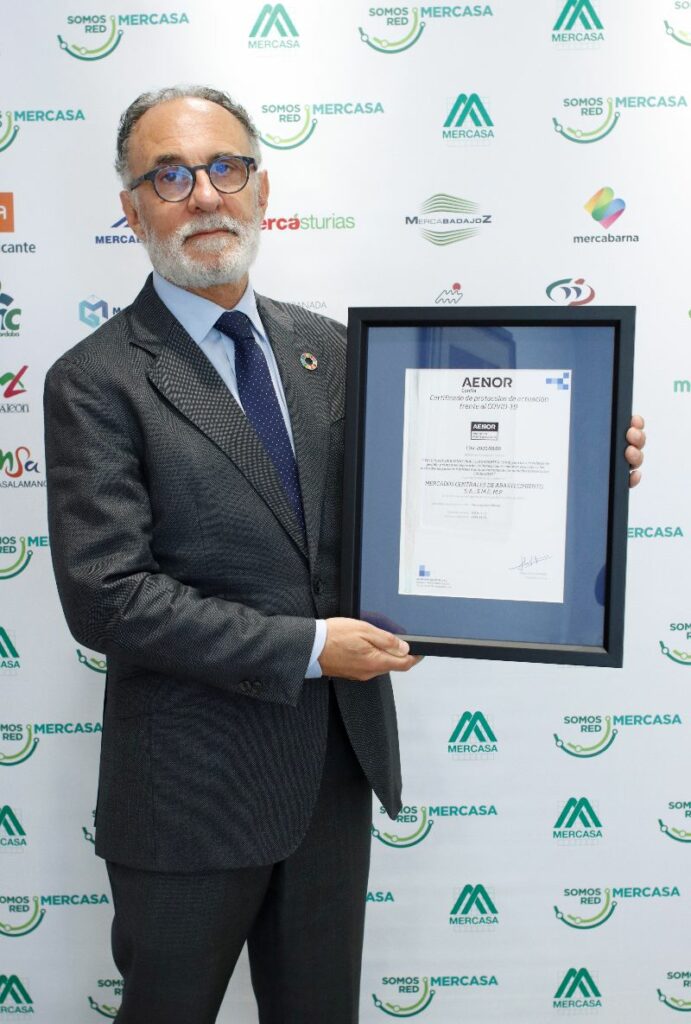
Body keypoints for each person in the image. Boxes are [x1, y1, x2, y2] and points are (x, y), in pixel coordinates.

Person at [44, 86, 646, 1024]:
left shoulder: (330, 349)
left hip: (332, 770)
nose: (204, 195)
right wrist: (311, 647)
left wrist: (580, 465)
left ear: (261, 187)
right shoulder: (96, 379)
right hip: (189, 793)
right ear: (131, 208)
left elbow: (425, 495)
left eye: (226, 167)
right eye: (170, 175)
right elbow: (107, 597)